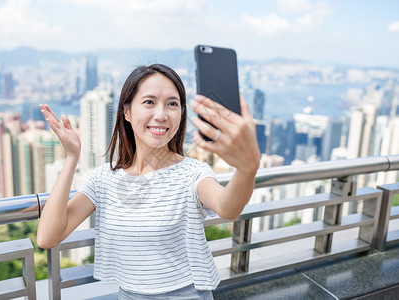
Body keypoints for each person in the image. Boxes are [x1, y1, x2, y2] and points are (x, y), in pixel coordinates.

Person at [37, 64, 260, 299]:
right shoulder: (103, 180)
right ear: (127, 112)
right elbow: (48, 237)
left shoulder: (192, 173)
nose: (161, 114)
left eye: (172, 104)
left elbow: (228, 207)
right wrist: (72, 157)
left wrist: (248, 168)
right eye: (149, 102)